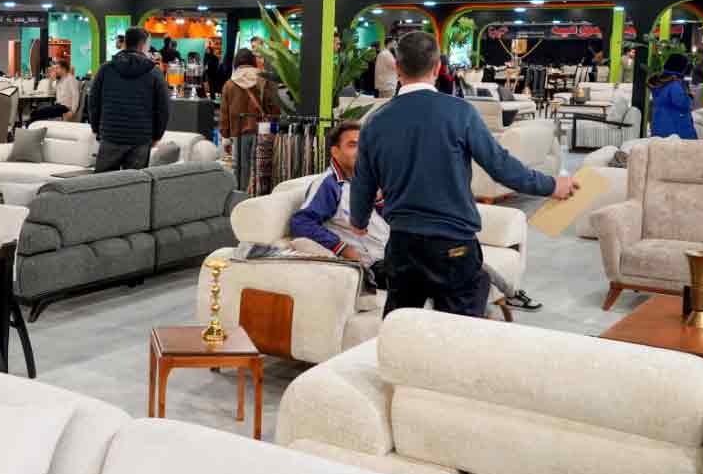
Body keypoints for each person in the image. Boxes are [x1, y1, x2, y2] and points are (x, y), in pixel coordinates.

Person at [348, 31, 570, 319]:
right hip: (453, 245)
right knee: (457, 330)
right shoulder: (460, 113)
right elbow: (501, 166)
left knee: (400, 326)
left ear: (398, 68)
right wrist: (552, 185)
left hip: (403, 245)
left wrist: (359, 221)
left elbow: (363, 181)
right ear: (437, 67)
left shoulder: (375, 121)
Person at [291, 123, 538, 309]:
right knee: (467, 273)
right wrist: (343, 248)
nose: (362, 151)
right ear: (335, 152)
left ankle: (502, 299)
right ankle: (482, 318)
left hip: (401, 250)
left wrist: (383, 201)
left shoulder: (371, 179)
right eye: (352, 145)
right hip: (379, 264)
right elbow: (301, 222)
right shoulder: (329, 184)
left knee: (465, 260)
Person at [88, 26, 170, 172]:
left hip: (110, 134)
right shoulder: (154, 72)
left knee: (103, 183)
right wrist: (157, 135)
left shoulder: (106, 69)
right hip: (141, 137)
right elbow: (163, 108)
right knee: (135, 184)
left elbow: (93, 102)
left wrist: (96, 128)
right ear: (143, 45)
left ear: (125, 42)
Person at [218, 48, 278, 189]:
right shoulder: (263, 80)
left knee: (239, 168)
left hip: (238, 133)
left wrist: (225, 136)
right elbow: (274, 108)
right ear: (253, 61)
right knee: (260, 168)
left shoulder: (229, 84)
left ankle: (240, 195)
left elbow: (224, 114)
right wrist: (274, 128)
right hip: (261, 132)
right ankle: (257, 194)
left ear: (236, 62)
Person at [649, 53, 696, 139]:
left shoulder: (660, 82)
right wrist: (689, 97)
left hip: (658, 130)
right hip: (675, 133)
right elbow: (683, 104)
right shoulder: (674, 84)